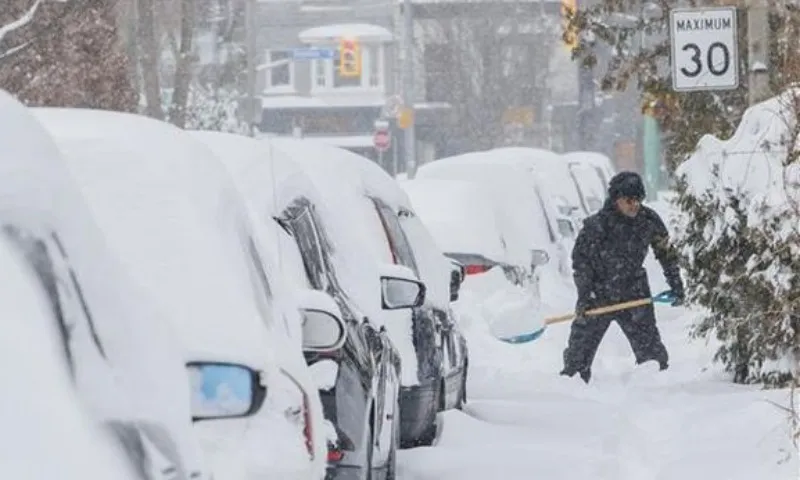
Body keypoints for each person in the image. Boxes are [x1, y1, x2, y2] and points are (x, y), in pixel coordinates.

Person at [560, 171, 684, 384]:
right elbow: (581, 263)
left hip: (634, 293)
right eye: (629, 200)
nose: (634, 205)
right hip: (597, 295)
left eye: (638, 200)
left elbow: (666, 254)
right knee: (576, 361)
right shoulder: (596, 226)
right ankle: (573, 396)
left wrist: (676, 284)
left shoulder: (648, 220)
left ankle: (657, 398)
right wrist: (584, 295)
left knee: (653, 358)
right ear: (616, 199)